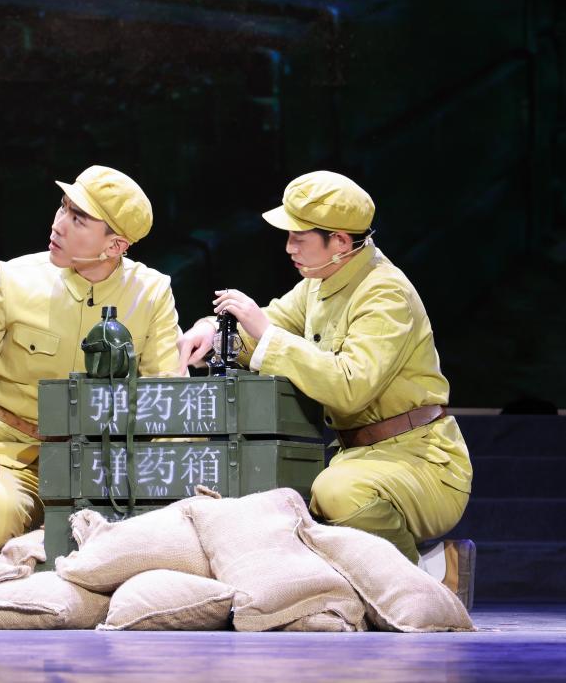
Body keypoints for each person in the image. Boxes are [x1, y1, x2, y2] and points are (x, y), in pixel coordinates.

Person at [177, 170, 476, 608]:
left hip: (422, 460)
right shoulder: (319, 286)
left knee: (338, 492)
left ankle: (425, 582)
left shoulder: (385, 293)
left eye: (299, 237)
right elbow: (268, 323)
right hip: (356, 455)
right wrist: (214, 332)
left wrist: (265, 333)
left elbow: (350, 386)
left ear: (338, 241)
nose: (289, 247)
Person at [0, 166, 181, 550]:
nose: (58, 224)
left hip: (103, 462)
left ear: (115, 245)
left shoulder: (151, 293)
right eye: (63, 207)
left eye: (78, 219)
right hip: (8, 449)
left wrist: (166, 482)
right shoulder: (10, 279)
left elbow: (167, 394)